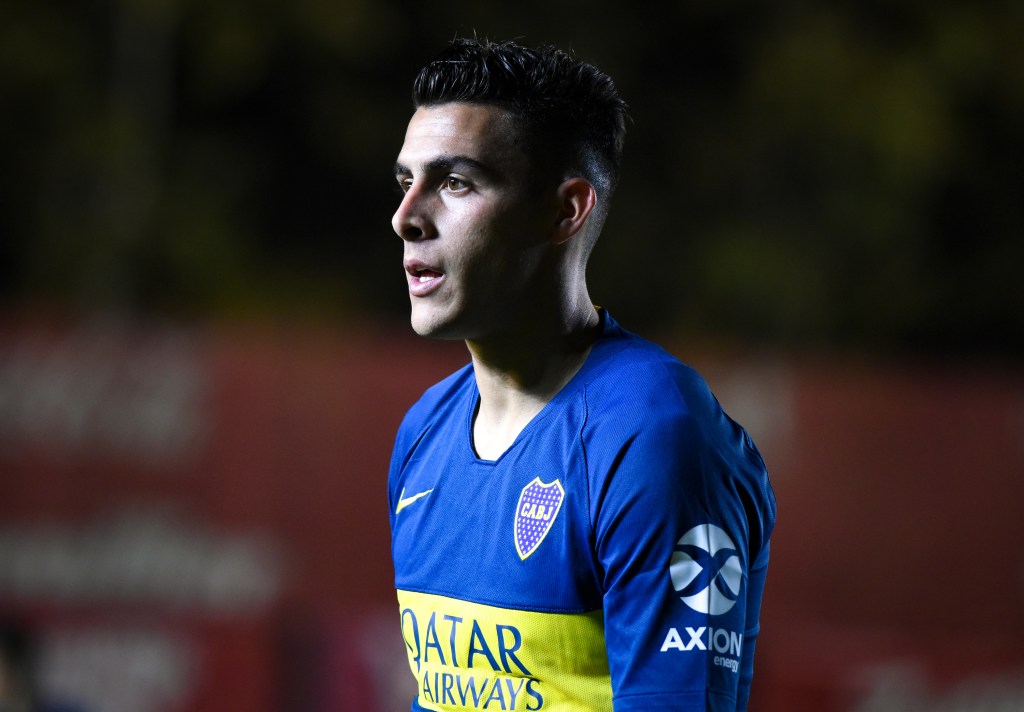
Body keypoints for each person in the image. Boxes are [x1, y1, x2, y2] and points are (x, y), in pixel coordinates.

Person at [387, 37, 776, 712]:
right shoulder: (425, 432)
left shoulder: (653, 437)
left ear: (565, 210)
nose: (406, 218)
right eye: (406, 183)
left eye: (455, 183)